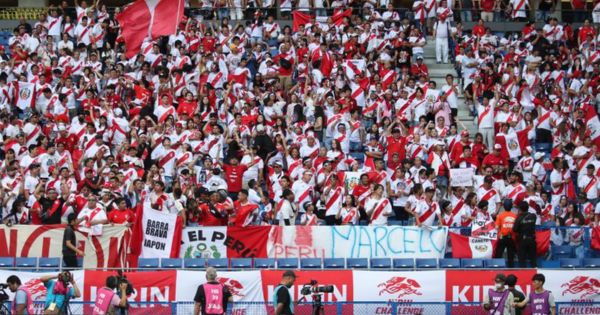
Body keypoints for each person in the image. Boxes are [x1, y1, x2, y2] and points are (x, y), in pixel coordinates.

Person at [512, 201, 537, 267]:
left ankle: (523, 274)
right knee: (533, 258)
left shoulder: (519, 218)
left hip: (523, 240)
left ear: (520, 209)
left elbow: (514, 229)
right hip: (532, 240)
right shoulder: (533, 216)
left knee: (522, 259)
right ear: (528, 208)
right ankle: (535, 270)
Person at [495, 199, 517, 267]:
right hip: (511, 238)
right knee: (511, 256)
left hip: (502, 237)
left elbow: (497, 227)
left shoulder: (500, 215)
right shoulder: (515, 216)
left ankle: (497, 267)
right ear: (511, 206)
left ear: (503, 206)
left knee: (498, 254)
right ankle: (511, 269)